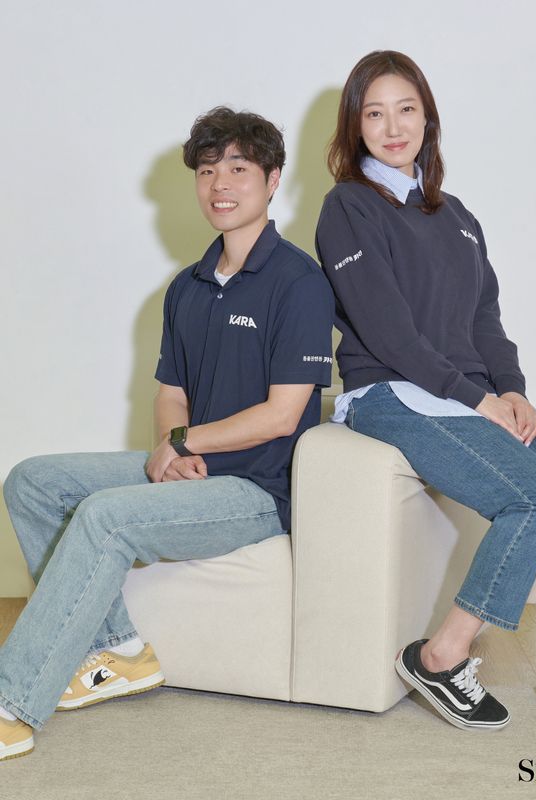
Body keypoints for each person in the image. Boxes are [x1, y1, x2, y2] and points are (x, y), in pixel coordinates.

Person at [315, 50, 536, 734]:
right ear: (355, 127)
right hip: (394, 392)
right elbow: (389, 333)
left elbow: (485, 318)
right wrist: (475, 398)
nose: (393, 127)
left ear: (427, 120)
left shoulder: (457, 215)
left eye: (406, 110)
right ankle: (439, 656)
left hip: (467, 394)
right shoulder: (349, 207)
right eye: (374, 114)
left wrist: (512, 391)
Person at [0, 106, 334, 761]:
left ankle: (13, 703)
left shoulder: (300, 283)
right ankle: (119, 651)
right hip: (196, 469)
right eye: (207, 171)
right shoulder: (187, 287)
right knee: (33, 481)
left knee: (105, 517)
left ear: (272, 180)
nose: (220, 184)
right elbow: (170, 393)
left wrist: (186, 444)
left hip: (258, 490)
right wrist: (170, 450)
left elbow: (283, 414)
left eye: (237, 168)